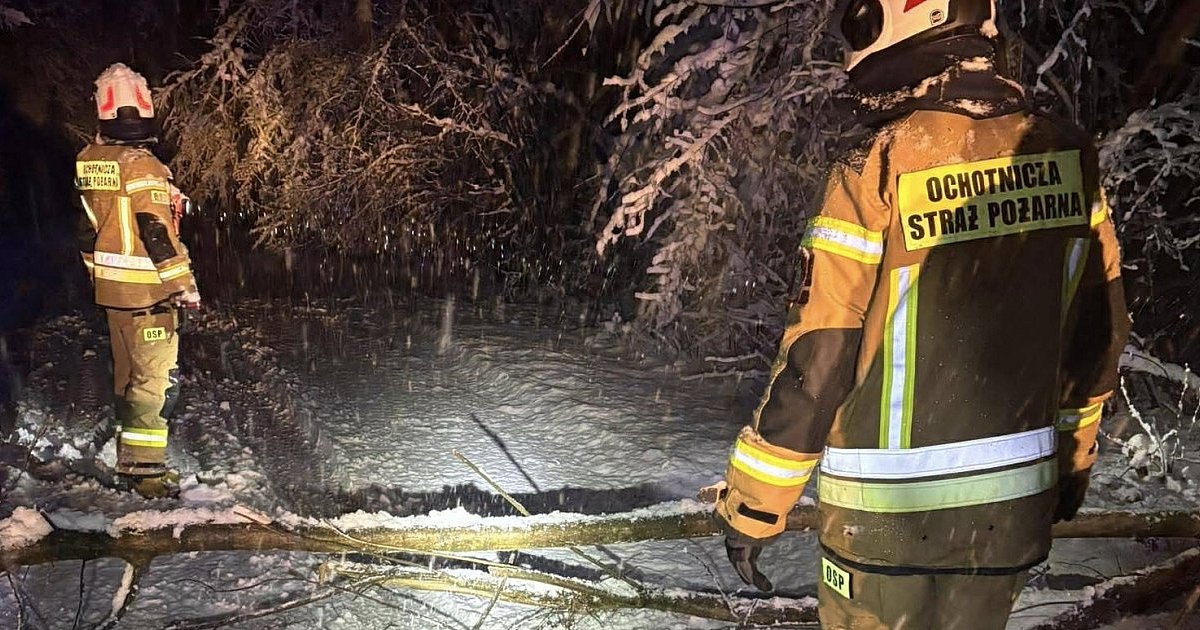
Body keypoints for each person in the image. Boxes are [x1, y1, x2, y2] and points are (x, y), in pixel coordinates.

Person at [711, 1, 1130, 628]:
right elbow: (1099, 338)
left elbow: (820, 355)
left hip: (883, 525)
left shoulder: (878, 165)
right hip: (1007, 519)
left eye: (860, 21)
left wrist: (755, 506)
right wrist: (1071, 463)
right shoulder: (1067, 155)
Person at [75, 63, 201, 498]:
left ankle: (130, 459)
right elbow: (155, 232)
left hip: (112, 293)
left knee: (127, 377)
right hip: (148, 292)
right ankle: (146, 475)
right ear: (145, 105)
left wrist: (99, 277)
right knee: (155, 383)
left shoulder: (91, 161)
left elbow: (88, 228)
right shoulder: (142, 165)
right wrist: (182, 284)